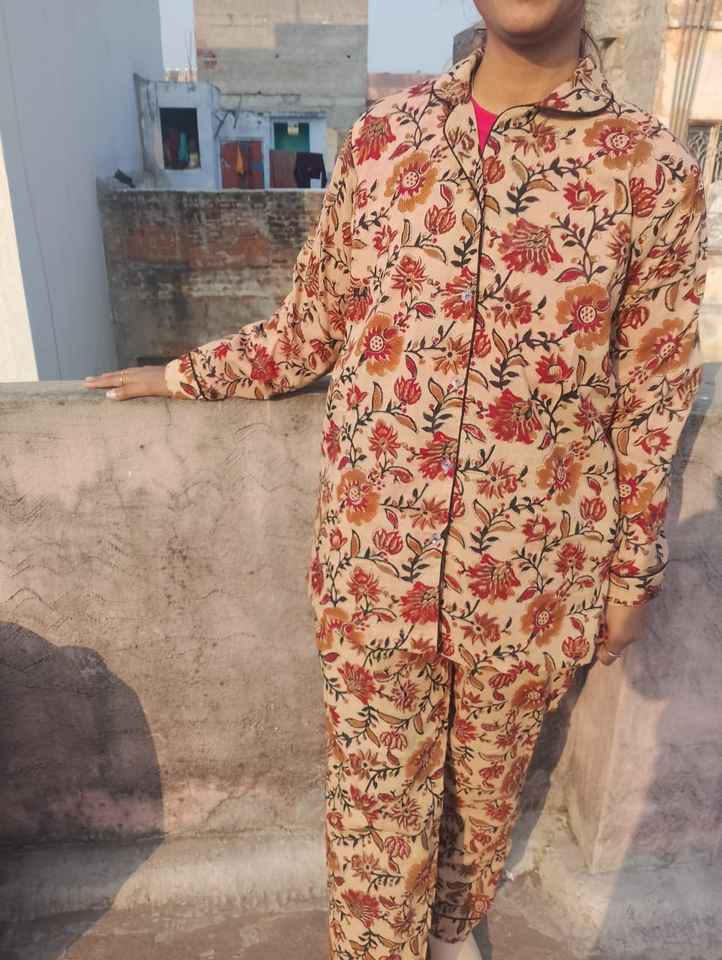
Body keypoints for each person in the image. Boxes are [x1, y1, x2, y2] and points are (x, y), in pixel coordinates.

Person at [84, 1, 708, 957]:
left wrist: (631, 574)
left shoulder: (652, 171)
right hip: (375, 572)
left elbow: (651, 396)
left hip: (530, 585)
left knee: (478, 824)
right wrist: (180, 374)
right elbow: (310, 328)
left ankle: (451, 933)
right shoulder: (387, 140)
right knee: (375, 845)